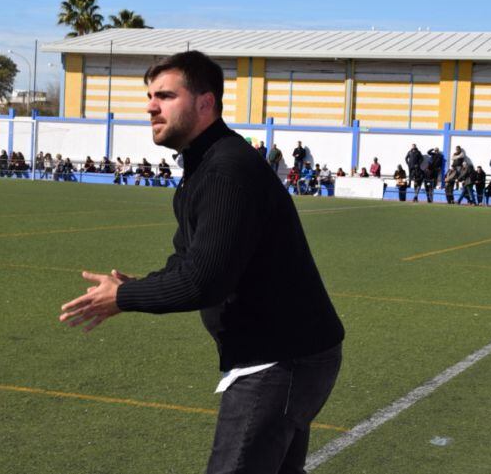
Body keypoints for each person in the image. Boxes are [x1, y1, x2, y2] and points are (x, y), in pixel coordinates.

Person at [59, 51, 344, 473]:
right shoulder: (203, 169)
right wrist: (136, 285)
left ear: (205, 103)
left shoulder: (225, 171)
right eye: (150, 95)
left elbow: (203, 282)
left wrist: (125, 297)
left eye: (166, 95)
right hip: (290, 354)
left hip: (278, 360)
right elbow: (187, 262)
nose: (151, 106)